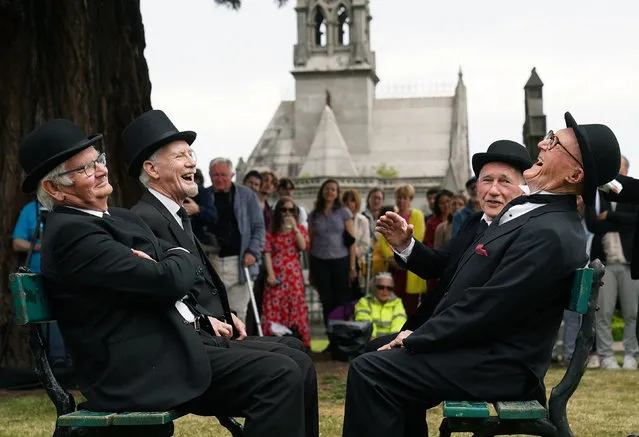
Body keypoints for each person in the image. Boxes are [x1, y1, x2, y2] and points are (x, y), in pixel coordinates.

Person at [22, 119, 315, 437]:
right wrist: (174, 259)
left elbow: (167, 271)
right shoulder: (72, 233)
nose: (101, 170)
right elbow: (169, 278)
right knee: (281, 375)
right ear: (55, 189)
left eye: (99, 160)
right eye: (84, 168)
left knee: (297, 361)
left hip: (168, 347)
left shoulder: (116, 218)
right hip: (138, 370)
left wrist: (168, 265)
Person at [342, 114, 621, 437]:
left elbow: (491, 305)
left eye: (554, 142)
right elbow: (461, 278)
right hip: (483, 347)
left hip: (500, 364)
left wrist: (418, 338)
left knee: (371, 371)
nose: (543, 143)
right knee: (374, 355)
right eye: (549, 136)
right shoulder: (536, 215)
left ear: (574, 173)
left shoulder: (551, 233)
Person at [364, 140, 531, 352]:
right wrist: (406, 245)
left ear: (525, 189)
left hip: (466, 342)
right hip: (430, 327)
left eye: (505, 182)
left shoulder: (524, 233)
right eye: (487, 180)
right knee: (368, 352)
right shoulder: (474, 222)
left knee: (369, 363)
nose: (493, 190)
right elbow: (438, 264)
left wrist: (426, 335)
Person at [585, 155, 638, 370]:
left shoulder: (634, 194)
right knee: (603, 313)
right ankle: (606, 356)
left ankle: (631, 355)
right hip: (605, 262)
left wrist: (609, 218)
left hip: (629, 262)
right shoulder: (599, 193)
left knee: (632, 313)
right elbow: (592, 223)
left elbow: (634, 222)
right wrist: (615, 222)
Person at [208, 158, 265, 323]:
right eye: (215, 175)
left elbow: (259, 227)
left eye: (223, 175)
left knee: (239, 313)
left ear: (232, 175)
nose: (219, 179)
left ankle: (240, 346)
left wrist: (253, 251)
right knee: (216, 313)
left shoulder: (247, 195)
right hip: (214, 261)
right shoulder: (204, 195)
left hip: (240, 262)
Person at [262, 197, 311, 348]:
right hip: (276, 275)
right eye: (284, 210)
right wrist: (270, 274)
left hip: (293, 277)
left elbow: (303, 246)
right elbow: (267, 252)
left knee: (295, 307)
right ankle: (274, 342)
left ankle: (297, 341)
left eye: (291, 210)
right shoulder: (271, 230)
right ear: (278, 212)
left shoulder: (300, 229)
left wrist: (295, 229)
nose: (287, 213)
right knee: (274, 307)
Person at [308, 179, 357, 325]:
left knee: (341, 300)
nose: (330, 192)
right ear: (322, 192)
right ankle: (330, 336)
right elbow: (310, 243)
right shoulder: (314, 215)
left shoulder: (344, 212)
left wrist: (352, 267)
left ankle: (341, 338)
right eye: (327, 189)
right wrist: (311, 271)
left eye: (333, 189)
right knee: (326, 300)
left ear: (337, 193)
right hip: (320, 261)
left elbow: (352, 242)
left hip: (340, 261)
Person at [373, 184, 426, 316]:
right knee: (392, 302)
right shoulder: (391, 215)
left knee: (410, 306)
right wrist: (393, 258)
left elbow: (417, 237)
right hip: (393, 267)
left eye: (404, 198)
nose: (401, 201)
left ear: (410, 199)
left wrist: (403, 259)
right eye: (399, 198)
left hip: (410, 267)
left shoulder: (417, 215)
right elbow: (384, 239)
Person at [354, 272, 407, 340]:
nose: (385, 291)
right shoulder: (364, 302)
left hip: (391, 342)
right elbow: (365, 323)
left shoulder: (397, 302)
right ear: (374, 287)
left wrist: (392, 342)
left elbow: (399, 323)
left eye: (389, 288)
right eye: (381, 287)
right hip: (370, 341)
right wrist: (374, 340)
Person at [342, 189, 371, 297]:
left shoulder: (363, 220)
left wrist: (352, 256)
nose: (349, 204)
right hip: (339, 262)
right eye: (346, 201)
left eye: (352, 201)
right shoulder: (338, 220)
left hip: (357, 264)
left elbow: (365, 245)